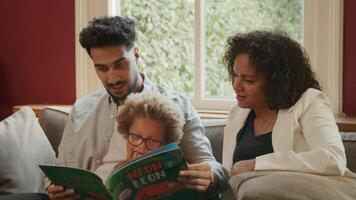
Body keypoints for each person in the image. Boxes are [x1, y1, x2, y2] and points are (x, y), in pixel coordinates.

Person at [47, 16, 227, 200]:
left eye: (120, 65)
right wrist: (57, 190)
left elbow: (211, 165)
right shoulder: (82, 110)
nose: (112, 78)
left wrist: (211, 176)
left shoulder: (175, 104)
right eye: (102, 69)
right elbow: (61, 173)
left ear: (136, 55)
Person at [222, 30, 354, 178]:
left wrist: (257, 164)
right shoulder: (236, 114)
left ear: (276, 82)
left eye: (249, 80)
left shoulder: (310, 102)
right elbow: (229, 176)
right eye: (236, 76)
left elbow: (333, 159)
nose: (236, 85)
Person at [115, 91, 184, 167]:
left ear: (167, 145)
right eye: (135, 137)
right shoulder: (119, 170)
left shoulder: (176, 175)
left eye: (153, 141)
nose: (141, 148)